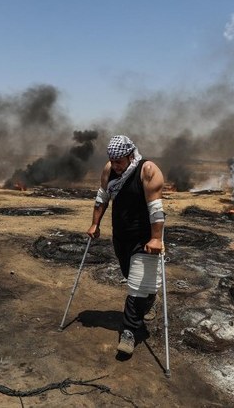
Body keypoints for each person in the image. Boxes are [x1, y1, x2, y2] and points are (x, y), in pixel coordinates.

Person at [87, 135, 165, 356]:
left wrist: (157, 239)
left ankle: (129, 331)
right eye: (112, 160)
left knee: (138, 285)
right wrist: (95, 224)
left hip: (145, 238)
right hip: (121, 235)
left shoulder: (147, 170)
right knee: (132, 278)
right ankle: (150, 298)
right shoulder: (110, 170)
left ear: (131, 155)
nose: (115, 165)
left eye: (119, 161)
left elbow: (156, 209)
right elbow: (102, 197)